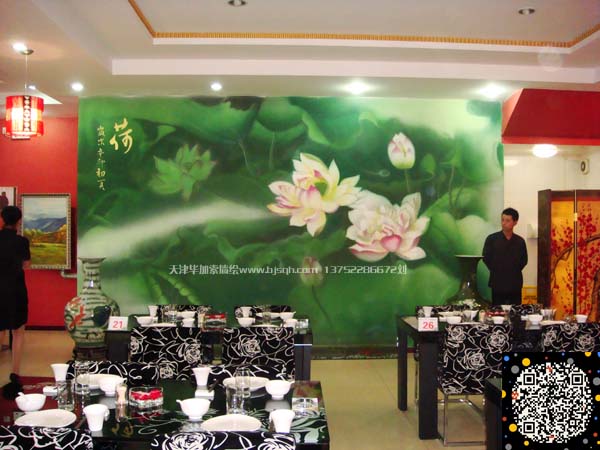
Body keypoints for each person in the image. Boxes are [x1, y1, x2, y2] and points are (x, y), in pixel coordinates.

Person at [0, 206, 31, 399]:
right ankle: (15, 372)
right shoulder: (22, 242)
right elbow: (26, 265)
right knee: (18, 331)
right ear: (19, 221)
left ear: (2, 219)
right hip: (16, 289)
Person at [483, 207, 528, 306]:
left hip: (514, 282)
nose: (504, 223)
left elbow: (524, 261)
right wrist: (497, 269)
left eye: (507, 220)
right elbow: (486, 258)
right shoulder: (492, 239)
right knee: (497, 310)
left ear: (515, 222)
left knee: (515, 310)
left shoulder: (520, 241)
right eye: (502, 220)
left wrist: (512, 270)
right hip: (497, 281)